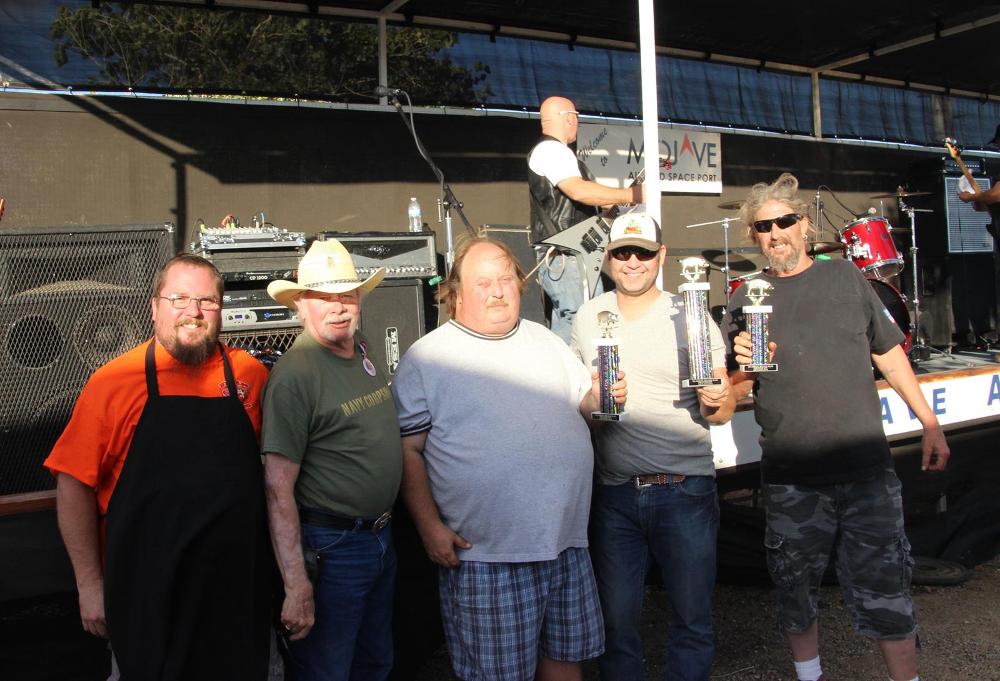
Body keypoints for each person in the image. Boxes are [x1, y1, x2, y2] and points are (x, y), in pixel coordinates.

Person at [724, 173, 950, 681]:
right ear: (753, 237)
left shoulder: (846, 276)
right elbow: (733, 389)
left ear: (805, 225)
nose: (776, 232)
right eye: (764, 226)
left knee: (887, 586)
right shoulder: (745, 300)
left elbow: (889, 353)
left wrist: (929, 422)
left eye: (785, 221)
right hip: (792, 477)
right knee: (794, 589)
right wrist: (742, 372)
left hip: (865, 471)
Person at [390, 237, 626, 681]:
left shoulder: (546, 341)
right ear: (456, 293)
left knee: (565, 661)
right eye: (484, 283)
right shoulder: (427, 358)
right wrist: (429, 528)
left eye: (505, 279)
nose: (498, 291)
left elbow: (587, 414)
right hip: (487, 558)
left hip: (565, 545)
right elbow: (408, 450)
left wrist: (604, 399)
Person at [44, 253, 273, 681]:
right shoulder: (113, 381)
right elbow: (72, 483)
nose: (194, 312)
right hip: (147, 593)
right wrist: (90, 585)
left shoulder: (250, 375)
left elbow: (271, 480)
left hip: (235, 594)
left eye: (207, 301)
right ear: (154, 308)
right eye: (179, 299)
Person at [570, 213, 735, 681]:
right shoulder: (587, 318)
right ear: (608, 259)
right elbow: (579, 400)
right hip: (616, 495)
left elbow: (719, 412)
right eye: (623, 252)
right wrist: (594, 404)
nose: (633, 261)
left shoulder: (691, 314)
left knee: (692, 621)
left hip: (685, 492)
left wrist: (721, 401)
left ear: (661, 257)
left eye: (643, 252)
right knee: (616, 627)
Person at [261, 239, 402, 681]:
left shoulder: (359, 346)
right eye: (325, 297)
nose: (339, 307)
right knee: (328, 671)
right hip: (335, 548)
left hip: (379, 537)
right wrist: (296, 583)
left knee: (374, 663)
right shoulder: (295, 375)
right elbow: (276, 488)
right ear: (301, 305)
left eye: (348, 294)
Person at [528, 95, 643, 342]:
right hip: (565, 253)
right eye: (576, 117)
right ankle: (577, 379)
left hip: (567, 254)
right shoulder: (551, 150)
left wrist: (616, 202)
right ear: (568, 118)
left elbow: (579, 199)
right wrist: (629, 193)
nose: (577, 123)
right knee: (583, 319)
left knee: (570, 321)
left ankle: (563, 378)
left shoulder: (557, 153)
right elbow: (578, 191)